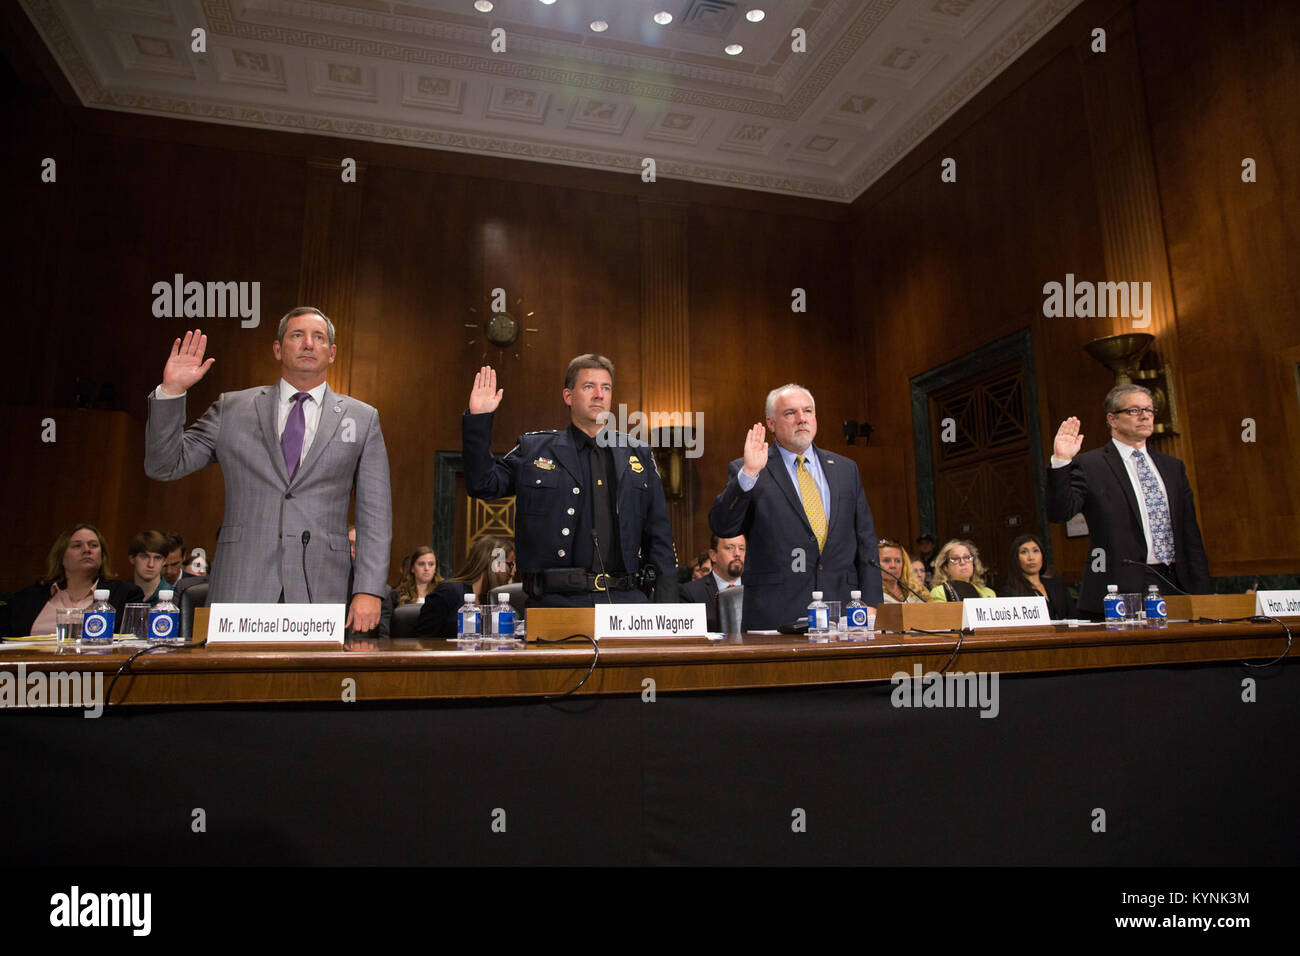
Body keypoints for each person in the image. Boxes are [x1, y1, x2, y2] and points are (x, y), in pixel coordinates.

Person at [144, 312, 392, 631]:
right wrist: (172, 391)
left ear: (331, 353)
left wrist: (369, 589)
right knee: (232, 681)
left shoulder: (362, 418)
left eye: (319, 337)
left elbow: (375, 514)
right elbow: (165, 465)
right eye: (296, 335)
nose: (307, 343)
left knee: (312, 682)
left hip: (321, 584)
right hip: (241, 582)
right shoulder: (232, 409)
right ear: (277, 349)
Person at [461, 357, 678, 607]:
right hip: (556, 601)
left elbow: (660, 538)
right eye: (589, 387)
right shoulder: (534, 450)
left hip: (626, 601)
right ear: (568, 396)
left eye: (606, 388)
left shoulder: (637, 453)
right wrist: (479, 420)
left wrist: (667, 608)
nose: (599, 395)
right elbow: (483, 484)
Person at [709, 383, 882, 631]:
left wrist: (872, 600)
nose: (801, 419)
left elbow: (866, 540)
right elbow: (722, 525)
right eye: (790, 413)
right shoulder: (750, 469)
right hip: (776, 614)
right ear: (770, 423)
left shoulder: (846, 469)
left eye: (808, 411)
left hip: (844, 612)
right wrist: (748, 474)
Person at [1048, 384, 1211, 616]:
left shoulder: (1172, 467)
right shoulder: (1091, 465)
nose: (1145, 416)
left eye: (1149, 410)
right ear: (1112, 419)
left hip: (1178, 583)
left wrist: (1203, 592)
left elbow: (1190, 533)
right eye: (1134, 410)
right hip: (1120, 587)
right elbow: (1059, 512)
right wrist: (1061, 461)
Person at [2, 524, 143, 636]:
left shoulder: (125, 595)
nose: (87, 550)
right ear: (61, 556)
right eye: (77, 545)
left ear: (102, 555)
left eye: (93, 545)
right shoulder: (26, 598)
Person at [413, 535, 513, 638]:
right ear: (495, 564)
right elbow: (422, 641)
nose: (513, 571)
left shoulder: (497, 601)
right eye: (510, 564)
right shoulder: (448, 592)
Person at [680, 534, 746, 632]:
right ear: (713, 555)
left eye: (741, 548)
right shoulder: (691, 592)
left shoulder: (758, 590)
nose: (737, 553)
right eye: (730, 548)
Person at [1001, 533, 1073, 620]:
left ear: (1042, 555)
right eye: (1024, 552)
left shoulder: (1057, 585)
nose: (1031, 557)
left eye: (1035, 551)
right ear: (1016, 559)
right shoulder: (1010, 592)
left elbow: (1073, 616)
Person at [929, 538, 996, 601]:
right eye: (955, 559)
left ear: (973, 563)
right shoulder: (939, 593)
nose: (963, 562)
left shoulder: (989, 593)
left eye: (967, 557)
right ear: (945, 567)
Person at [126, 529, 171, 604]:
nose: (151, 564)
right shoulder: (121, 593)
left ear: (164, 561)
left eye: (157, 558)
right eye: (144, 557)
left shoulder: (175, 597)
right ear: (132, 558)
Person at [878, 539, 928, 603]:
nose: (893, 565)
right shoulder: (870, 593)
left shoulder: (917, 591)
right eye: (886, 560)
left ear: (904, 564)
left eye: (897, 561)